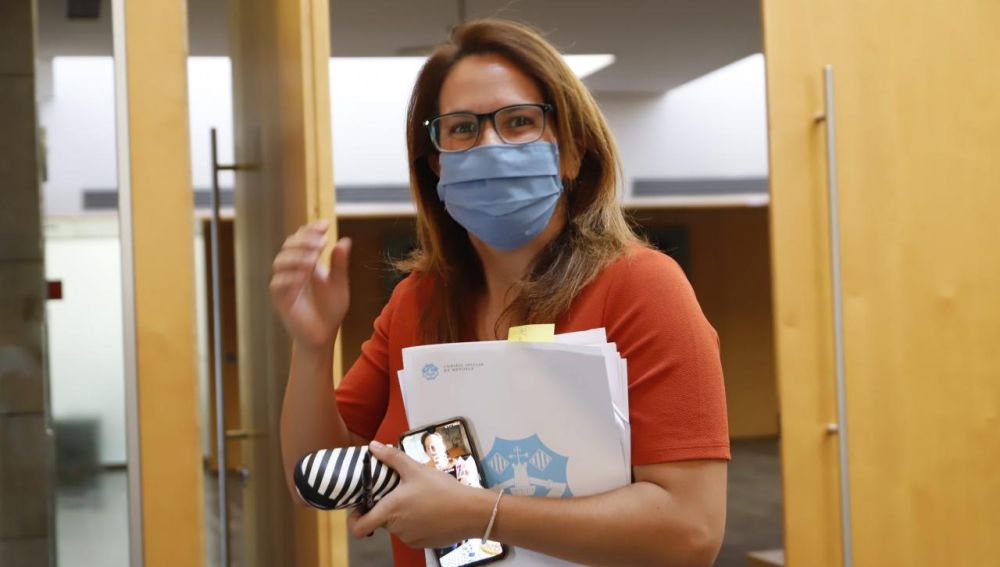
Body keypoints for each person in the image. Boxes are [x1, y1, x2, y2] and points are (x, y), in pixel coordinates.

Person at [270, 18, 729, 567]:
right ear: (437, 164)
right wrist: (312, 347)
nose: (489, 145)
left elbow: (692, 531)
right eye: (462, 128)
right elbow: (314, 479)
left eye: (518, 121)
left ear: (571, 152)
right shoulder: (417, 301)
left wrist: (478, 514)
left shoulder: (642, 287)